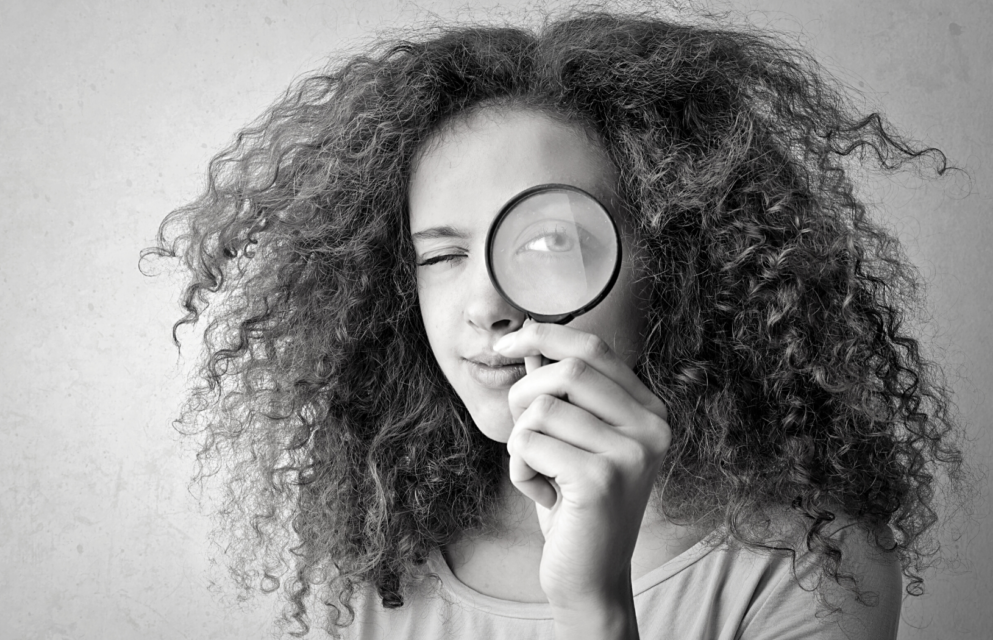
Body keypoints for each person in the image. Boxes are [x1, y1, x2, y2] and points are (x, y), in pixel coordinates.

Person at [145, 7, 967, 639]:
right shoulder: (369, 562)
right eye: (441, 256)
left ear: (675, 264)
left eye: (546, 241)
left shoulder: (811, 565)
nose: (486, 304)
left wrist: (593, 603)